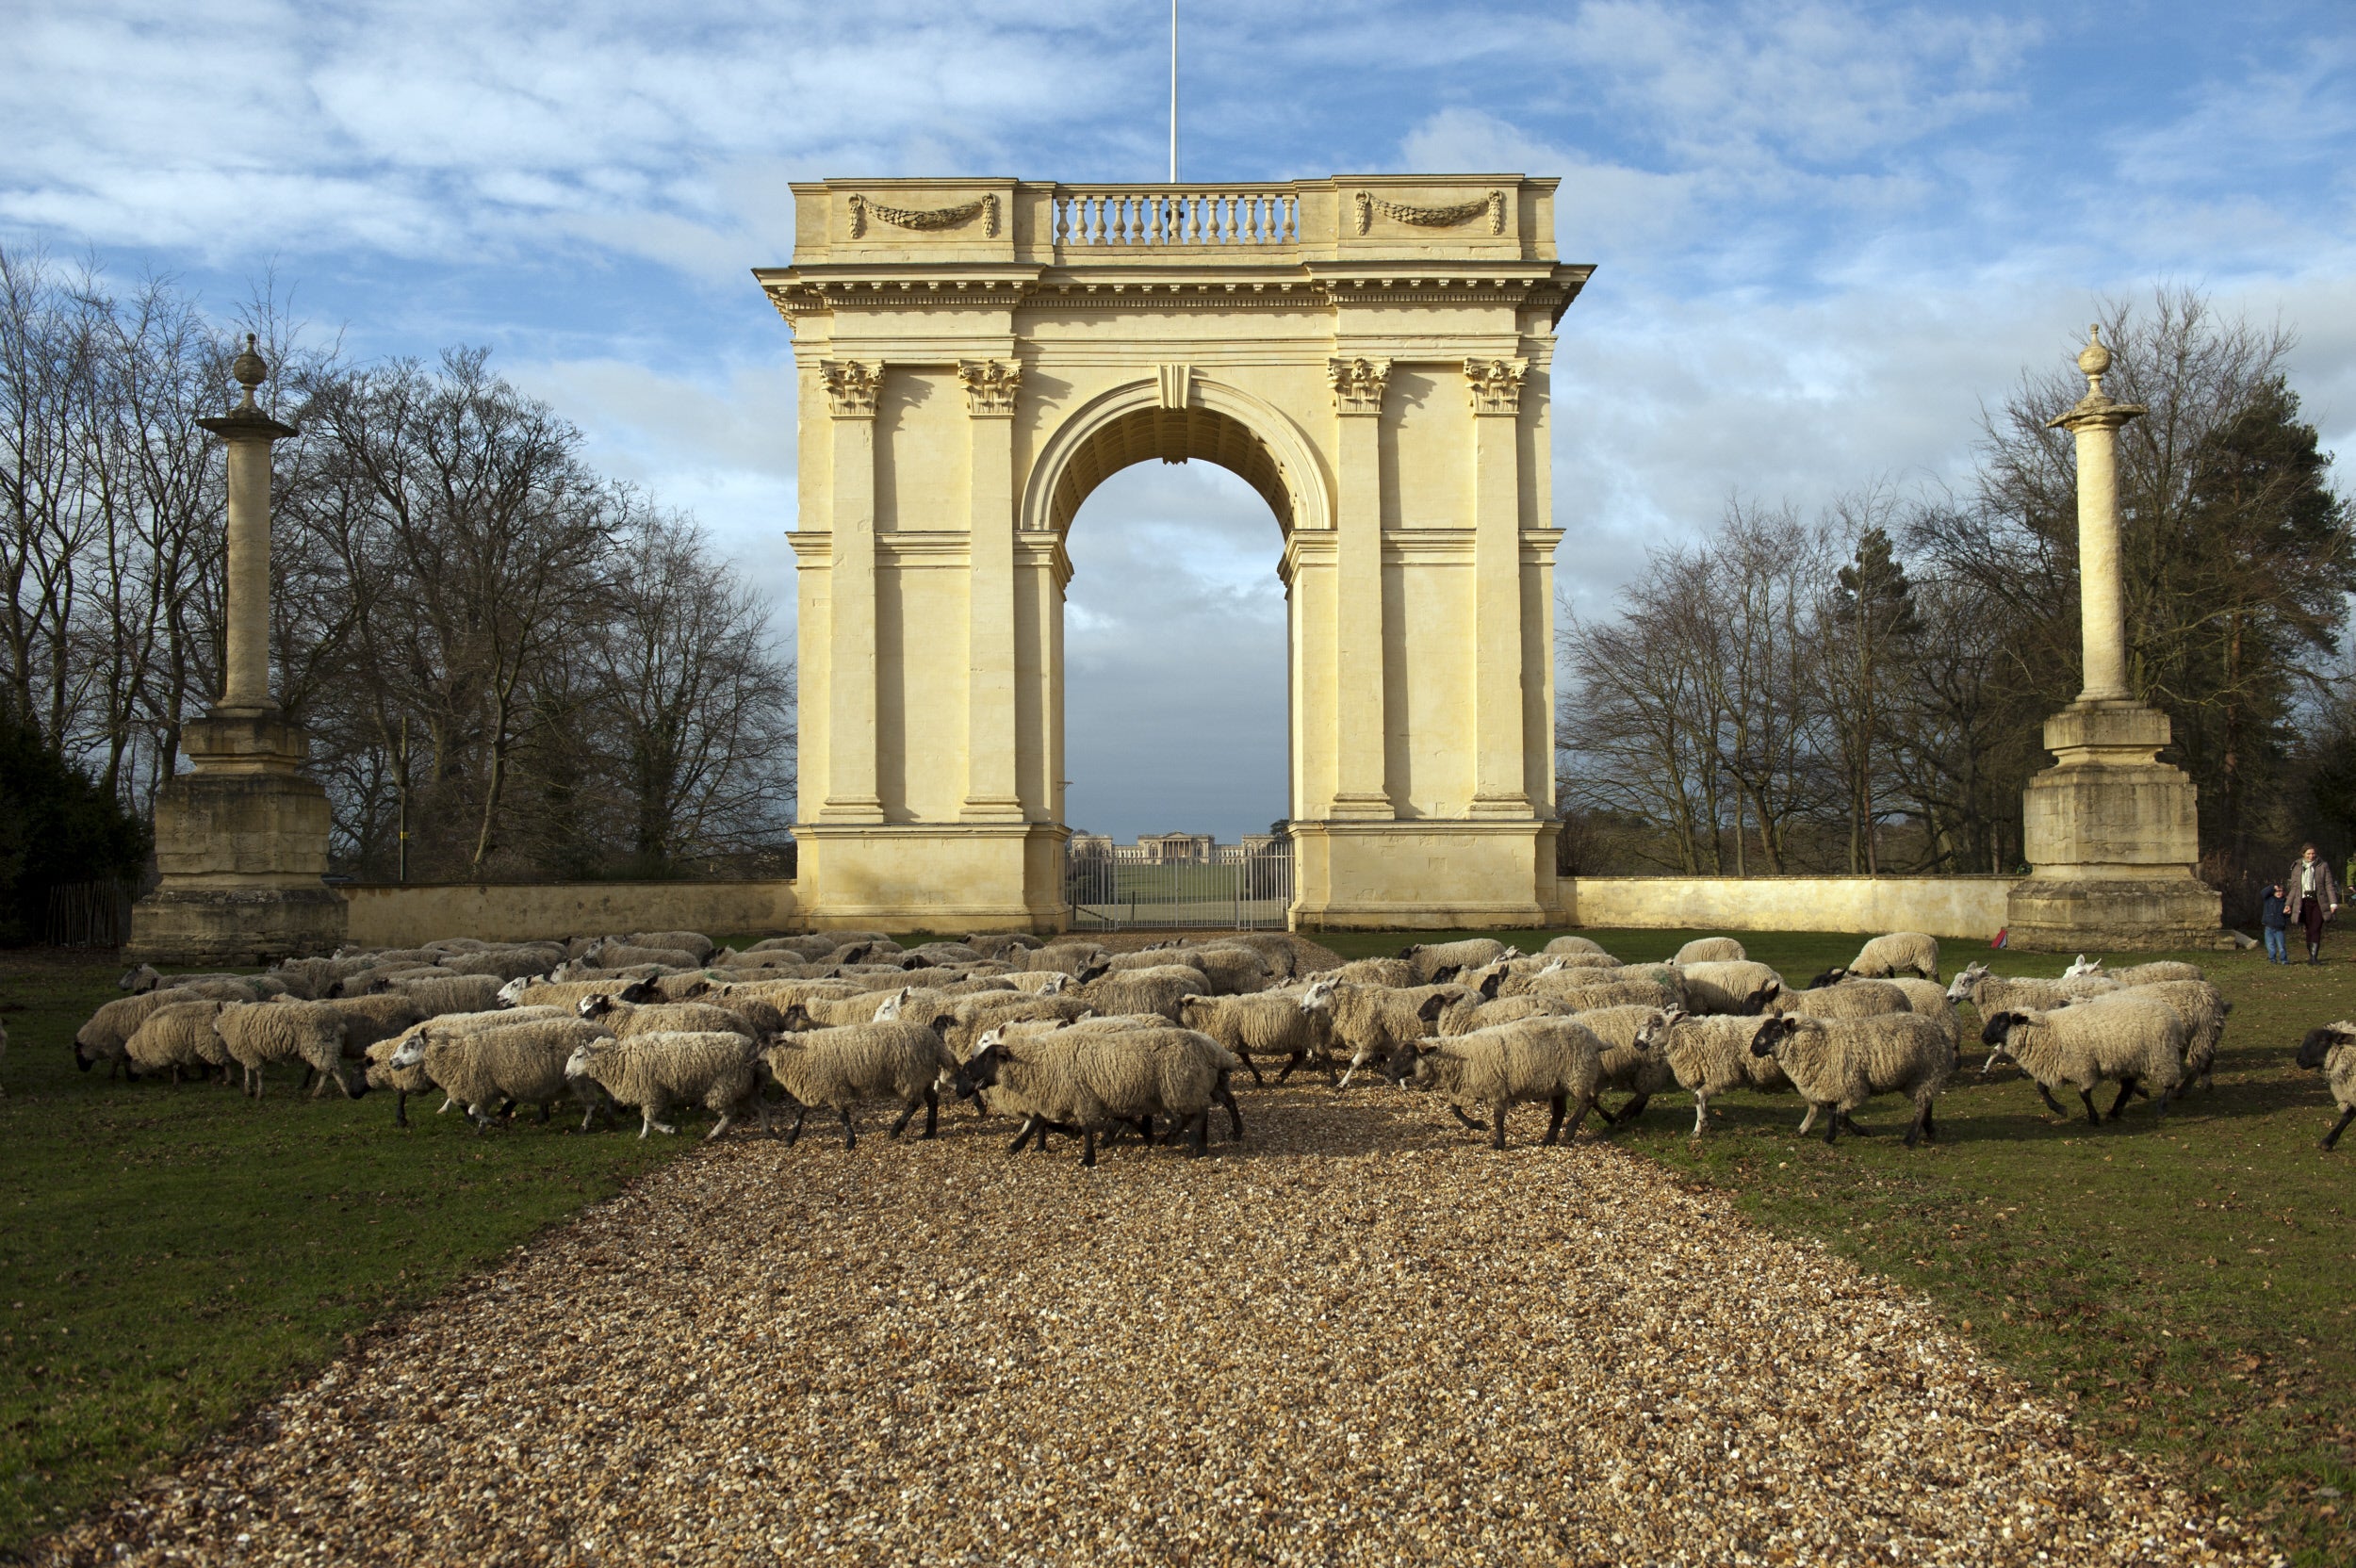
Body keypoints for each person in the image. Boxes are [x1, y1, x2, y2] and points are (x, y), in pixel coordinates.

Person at [2290, 843, 2340, 964]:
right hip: (2304, 901)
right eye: (2308, 854)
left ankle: (2314, 957)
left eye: (2313, 853)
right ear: (2303, 854)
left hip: (2318, 901)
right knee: (2309, 928)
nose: (2311, 856)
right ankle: (2310, 955)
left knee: (2316, 927)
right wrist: (2288, 904)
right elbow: (2294, 887)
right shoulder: (2297, 866)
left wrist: (2333, 903)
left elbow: (2329, 885)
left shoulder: (2322, 866)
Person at [2260, 882, 2290, 964]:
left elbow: (2288, 915)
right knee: (2270, 945)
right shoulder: (2269, 899)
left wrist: (2287, 913)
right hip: (2268, 926)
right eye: (2277, 891)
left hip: (2279, 927)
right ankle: (2272, 959)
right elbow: (2263, 893)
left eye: (2281, 891)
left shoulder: (2286, 902)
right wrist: (2272, 887)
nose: (2279, 893)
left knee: (2281, 946)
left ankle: (2284, 960)